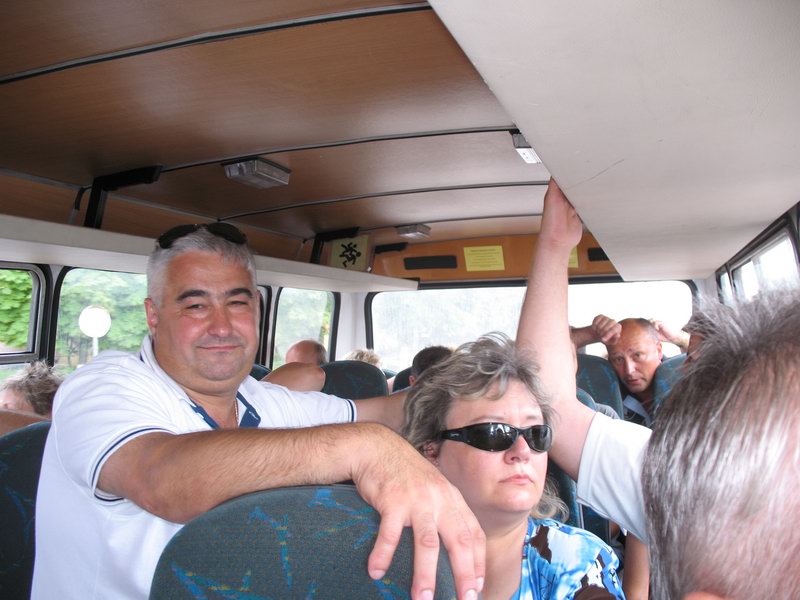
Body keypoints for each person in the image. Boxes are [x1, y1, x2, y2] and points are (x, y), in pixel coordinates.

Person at [33, 223, 484, 600]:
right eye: (195, 305)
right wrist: (364, 449)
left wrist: (490, 388)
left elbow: (386, 412)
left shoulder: (264, 400)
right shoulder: (101, 387)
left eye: (237, 302)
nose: (221, 326)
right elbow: (162, 481)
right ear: (153, 314)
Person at [519, 179, 800, 599]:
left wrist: (555, 244)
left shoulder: (682, 474)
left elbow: (551, 400)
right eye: (618, 358)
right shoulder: (683, 469)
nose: (628, 369)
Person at [403, 334, 623, 599]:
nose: (522, 451)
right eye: (494, 432)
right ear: (431, 451)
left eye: (536, 433)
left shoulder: (579, 560)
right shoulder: (383, 551)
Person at [605, 318, 664, 426]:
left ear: (658, 351)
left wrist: (680, 340)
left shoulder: (683, 385)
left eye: (637, 355)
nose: (629, 370)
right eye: (618, 359)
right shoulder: (606, 397)